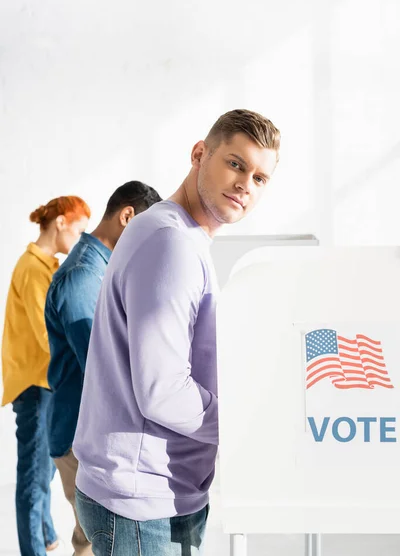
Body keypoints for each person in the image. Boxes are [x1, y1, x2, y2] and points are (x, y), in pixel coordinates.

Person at [73, 109, 281, 555]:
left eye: (260, 178)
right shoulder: (171, 243)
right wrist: (247, 423)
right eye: (235, 163)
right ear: (200, 154)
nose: (246, 183)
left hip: (154, 493)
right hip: (142, 505)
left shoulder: (179, 236)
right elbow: (162, 390)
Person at [44, 181, 162, 556]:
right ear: (127, 217)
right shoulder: (82, 276)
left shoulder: (105, 271)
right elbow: (103, 365)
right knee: (103, 542)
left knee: (91, 542)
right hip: (82, 439)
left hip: (92, 435)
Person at [1, 196, 90, 556]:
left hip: (42, 384)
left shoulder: (44, 266)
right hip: (37, 386)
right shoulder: (35, 269)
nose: (82, 238)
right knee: (35, 480)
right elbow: (47, 333)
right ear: (61, 223)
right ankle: (34, 550)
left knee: (45, 472)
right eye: (81, 229)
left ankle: (48, 536)